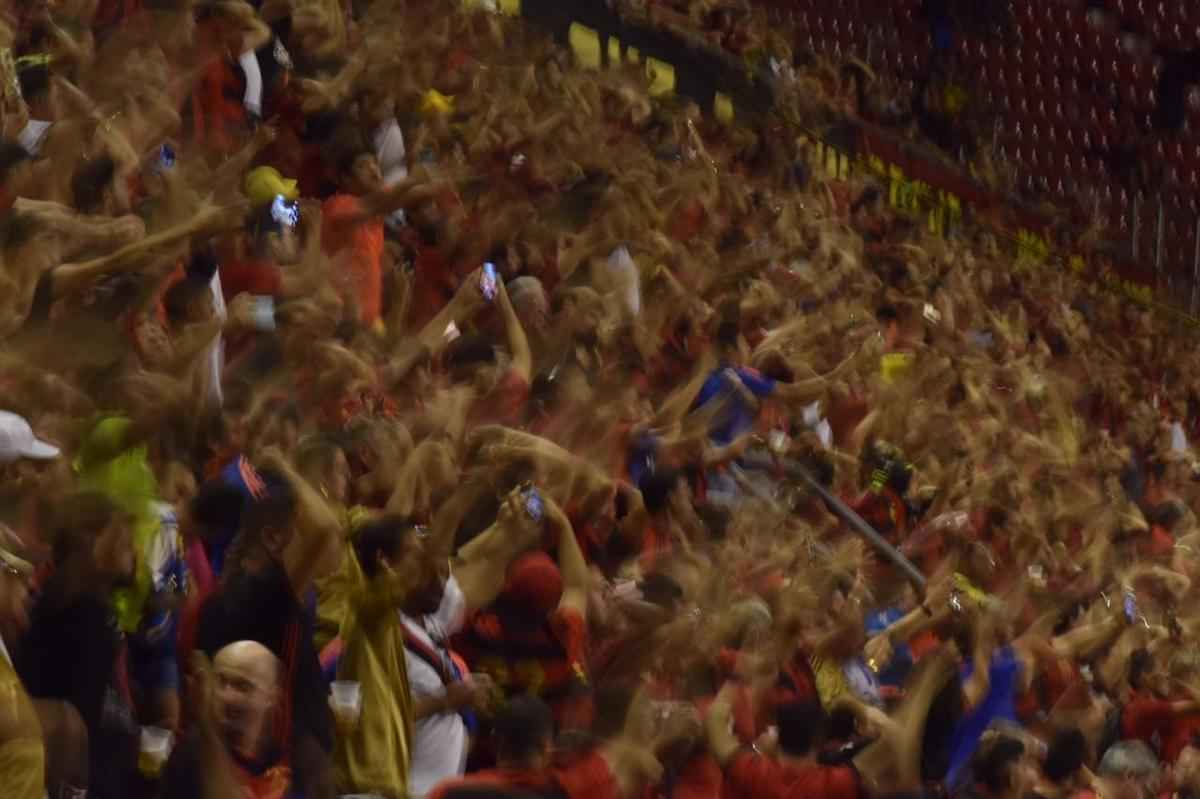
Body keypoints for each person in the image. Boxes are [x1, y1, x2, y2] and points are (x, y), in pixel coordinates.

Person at [196, 454, 343, 799]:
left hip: (257, 747)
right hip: (279, 755)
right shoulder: (266, 587)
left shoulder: (225, 590)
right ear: (273, 537)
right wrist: (286, 465)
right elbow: (326, 529)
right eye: (296, 531)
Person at [17, 491, 138, 799]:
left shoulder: (93, 609)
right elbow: (81, 724)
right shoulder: (80, 618)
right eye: (125, 542)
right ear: (93, 545)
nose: (134, 552)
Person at [163, 640, 294, 799]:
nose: (227, 696)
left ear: (271, 697)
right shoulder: (192, 755)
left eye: (243, 686)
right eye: (221, 681)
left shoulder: (281, 764)